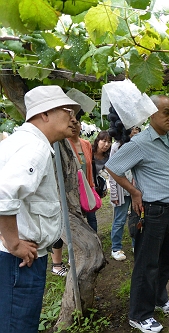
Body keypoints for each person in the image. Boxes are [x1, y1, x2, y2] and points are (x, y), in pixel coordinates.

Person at [0, 85, 80, 332]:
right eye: (68, 110)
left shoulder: (21, 141)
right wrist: (14, 243)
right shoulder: (34, 148)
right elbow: (3, 194)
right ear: (44, 114)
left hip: (15, 256)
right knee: (18, 325)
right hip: (20, 258)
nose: (73, 118)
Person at [106, 95, 169, 333]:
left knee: (166, 261)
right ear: (151, 115)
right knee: (146, 264)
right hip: (152, 212)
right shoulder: (140, 142)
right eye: (166, 113)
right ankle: (139, 315)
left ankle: (159, 299)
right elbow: (113, 166)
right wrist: (134, 192)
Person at [109, 127, 139, 261]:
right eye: (133, 129)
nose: (136, 131)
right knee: (119, 220)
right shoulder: (116, 146)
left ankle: (136, 245)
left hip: (136, 190)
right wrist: (114, 194)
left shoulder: (138, 144)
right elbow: (111, 169)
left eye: (138, 129)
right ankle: (116, 248)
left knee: (136, 218)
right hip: (122, 190)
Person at [68, 117, 99, 231]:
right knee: (76, 219)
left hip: (88, 187)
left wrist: (93, 184)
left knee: (92, 217)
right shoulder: (65, 144)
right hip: (73, 190)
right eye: (71, 124)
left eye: (76, 123)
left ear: (80, 126)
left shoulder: (86, 144)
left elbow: (91, 165)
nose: (74, 127)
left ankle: (95, 243)